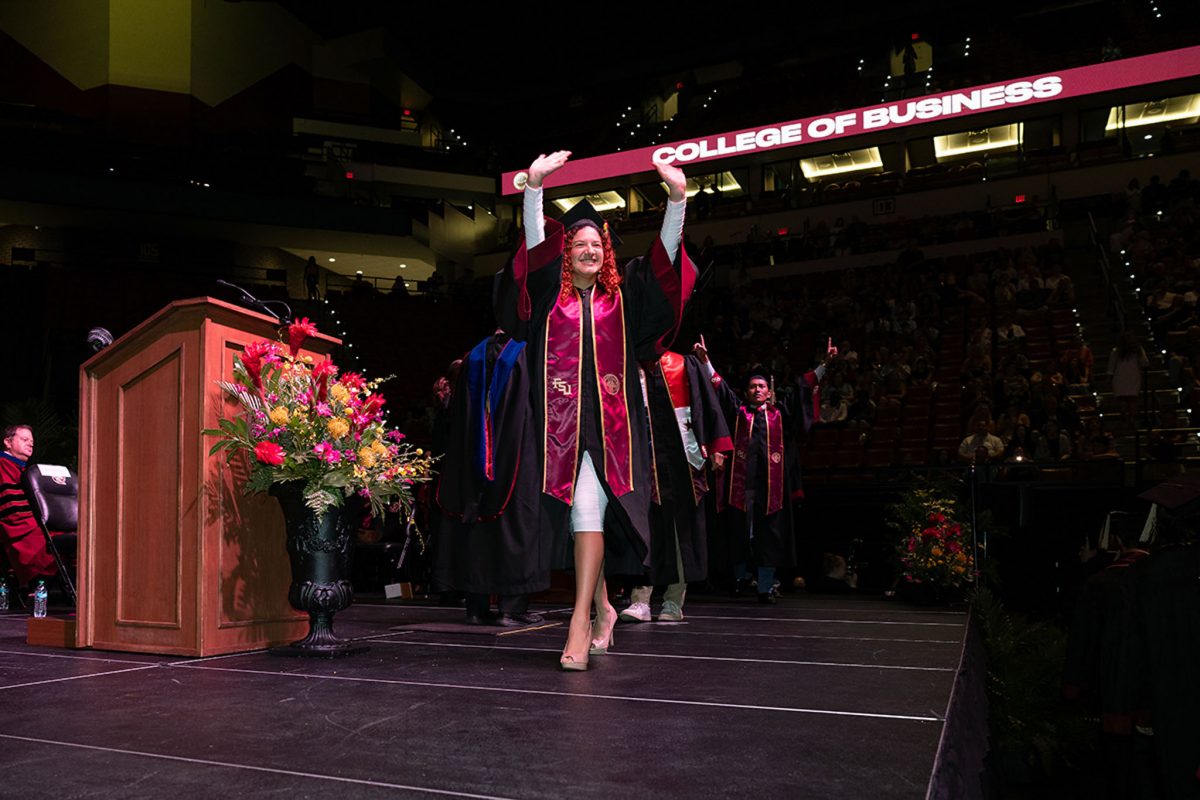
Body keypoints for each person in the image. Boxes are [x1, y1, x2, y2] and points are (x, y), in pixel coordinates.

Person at [499, 151, 695, 669]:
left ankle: (579, 621)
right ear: (566, 254)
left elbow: (664, 265)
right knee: (579, 520)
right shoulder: (548, 300)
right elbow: (534, 251)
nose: (587, 249)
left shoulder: (622, 299)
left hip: (611, 432)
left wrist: (676, 201)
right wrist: (534, 189)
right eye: (578, 244)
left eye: (595, 244)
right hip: (556, 431)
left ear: (605, 253)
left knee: (588, 514)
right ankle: (605, 607)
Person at [696, 343, 830, 604]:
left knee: (769, 537)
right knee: (738, 533)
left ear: (769, 391)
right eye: (752, 387)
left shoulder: (781, 414)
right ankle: (737, 579)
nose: (757, 390)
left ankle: (765, 586)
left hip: (772, 492)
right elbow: (719, 389)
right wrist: (705, 361)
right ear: (746, 392)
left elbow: (804, 389)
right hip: (741, 489)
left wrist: (823, 365)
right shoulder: (739, 412)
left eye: (761, 387)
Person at [621, 349, 732, 623]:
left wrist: (717, 445)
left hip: (681, 459)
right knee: (644, 529)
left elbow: (707, 404)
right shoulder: (626, 361)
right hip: (642, 459)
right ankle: (641, 601)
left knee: (679, 531)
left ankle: (673, 602)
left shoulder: (683, 363)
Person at [0, 424, 57, 589]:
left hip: (35, 520)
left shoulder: (27, 469)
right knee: (47, 540)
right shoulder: (3, 464)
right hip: (17, 523)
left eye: (32, 441)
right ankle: (38, 590)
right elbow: (12, 508)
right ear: (7, 442)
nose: (30, 444)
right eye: (24, 439)